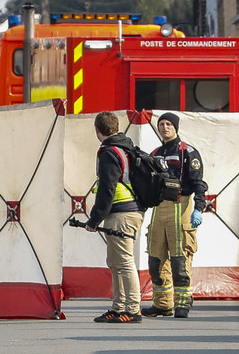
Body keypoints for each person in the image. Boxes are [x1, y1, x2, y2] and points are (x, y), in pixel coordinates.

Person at [141, 112, 207, 319]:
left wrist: (199, 208)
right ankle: (162, 305)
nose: (165, 127)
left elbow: (198, 184)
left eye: (169, 124)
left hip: (182, 207)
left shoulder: (188, 152)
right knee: (155, 259)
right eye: (161, 124)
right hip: (159, 209)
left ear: (176, 127)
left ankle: (182, 304)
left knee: (180, 261)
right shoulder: (155, 153)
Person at [85, 111, 145, 323]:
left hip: (122, 212)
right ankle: (119, 307)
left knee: (125, 262)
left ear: (97, 130)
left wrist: (94, 220)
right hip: (130, 211)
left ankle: (132, 309)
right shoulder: (126, 147)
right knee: (115, 262)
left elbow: (106, 189)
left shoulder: (110, 152)